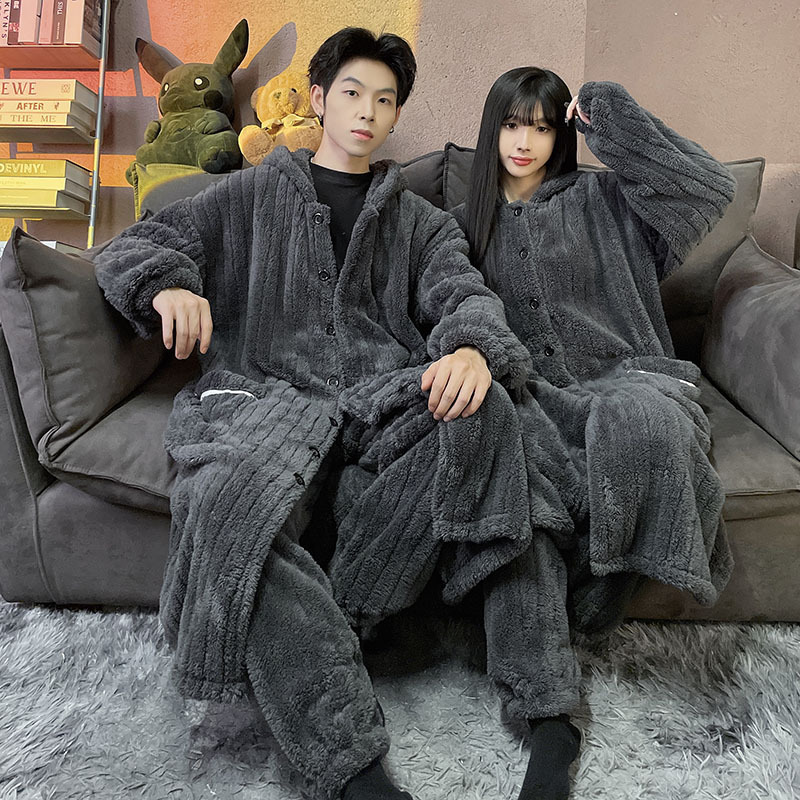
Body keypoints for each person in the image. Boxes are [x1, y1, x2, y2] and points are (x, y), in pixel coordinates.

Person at [93, 28, 533, 800]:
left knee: (483, 414)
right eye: (354, 93)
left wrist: (470, 348)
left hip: (378, 403)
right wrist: (169, 286)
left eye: (386, 101)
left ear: (395, 117)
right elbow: (139, 245)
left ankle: (330, 626)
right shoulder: (246, 195)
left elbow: (463, 293)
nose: (368, 112)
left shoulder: (421, 223)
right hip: (261, 395)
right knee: (223, 501)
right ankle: (357, 769)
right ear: (320, 98)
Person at [453, 68, 737, 800]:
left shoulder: (609, 199)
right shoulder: (461, 227)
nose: (526, 141)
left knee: (640, 426)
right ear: (491, 129)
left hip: (630, 377)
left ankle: (577, 621)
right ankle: (551, 716)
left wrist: (606, 112)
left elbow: (707, 190)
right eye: (512, 124)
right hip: (532, 400)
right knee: (516, 498)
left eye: (543, 126)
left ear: (562, 133)